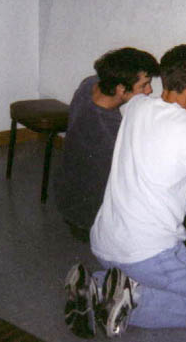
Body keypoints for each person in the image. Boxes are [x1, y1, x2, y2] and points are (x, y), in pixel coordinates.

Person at [64, 43, 186, 338]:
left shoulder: (137, 106)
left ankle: (99, 283)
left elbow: (166, 142)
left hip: (105, 244)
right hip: (149, 256)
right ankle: (128, 300)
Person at [55, 47, 160, 239]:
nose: (149, 90)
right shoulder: (107, 131)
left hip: (67, 196)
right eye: (144, 85)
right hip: (88, 219)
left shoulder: (90, 84)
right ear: (121, 89)